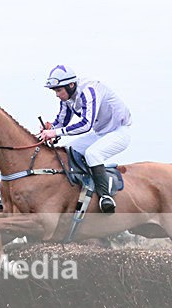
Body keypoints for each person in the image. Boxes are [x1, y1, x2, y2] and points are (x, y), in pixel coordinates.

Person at [38, 65, 132, 214]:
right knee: (67, 151)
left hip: (119, 131)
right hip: (100, 132)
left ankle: (105, 197)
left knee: (92, 154)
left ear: (71, 85)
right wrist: (49, 130)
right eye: (55, 91)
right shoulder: (67, 97)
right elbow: (62, 121)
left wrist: (55, 132)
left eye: (59, 90)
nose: (57, 95)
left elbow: (86, 125)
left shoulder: (89, 91)